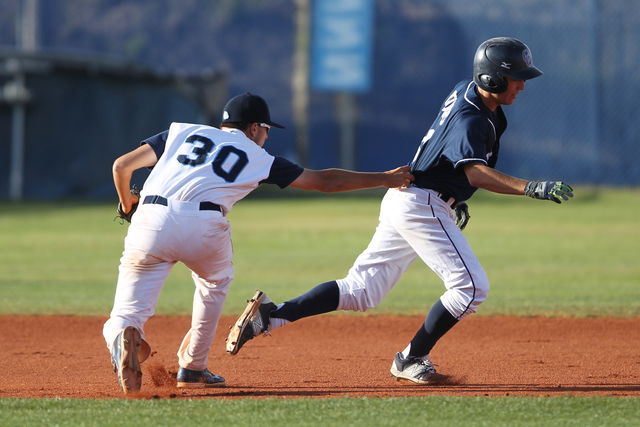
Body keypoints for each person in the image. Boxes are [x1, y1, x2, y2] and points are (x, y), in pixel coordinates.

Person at [225, 37, 574, 385]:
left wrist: (456, 193)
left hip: (408, 198)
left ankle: (270, 317)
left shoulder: (467, 93)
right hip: (422, 204)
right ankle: (412, 358)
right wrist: (530, 187)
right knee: (470, 287)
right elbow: (473, 171)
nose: (522, 85)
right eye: (516, 77)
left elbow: (447, 155)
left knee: (361, 290)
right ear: (491, 79)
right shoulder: (474, 120)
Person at [103, 92, 414, 394]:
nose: (266, 136)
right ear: (253, 128)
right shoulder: (258, 156)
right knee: (214, 281)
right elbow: (325, 182)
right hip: (205, 224)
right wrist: (385, 178)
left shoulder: (181, 132)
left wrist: (128, 204)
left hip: (151, 218)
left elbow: (121, 166)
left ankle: (122, 335)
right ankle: (193, 367)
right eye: (265, 129)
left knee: (127, 310)